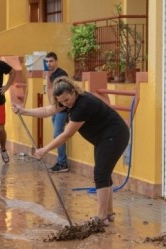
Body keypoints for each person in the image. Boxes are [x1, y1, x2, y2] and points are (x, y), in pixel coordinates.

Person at [12, 76, 130, 226]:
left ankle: (101, 217)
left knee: (100, 174)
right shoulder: (68, 102)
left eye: (67, 100)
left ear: (73, 92)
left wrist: (45, 149)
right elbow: (48, 110)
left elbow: (66, 134)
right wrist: (24, 111)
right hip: (104, 138)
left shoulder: (83, 105)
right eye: (61, 101)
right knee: (104, 173)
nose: (65, 104)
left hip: (114, 135)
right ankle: (108, 213)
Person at [45, 52, 70, 173]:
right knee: (57, 135)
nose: (49, 64)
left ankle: (63, 163)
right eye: (47, 61)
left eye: (51, 61)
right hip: (55, 108)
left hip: (62, 109)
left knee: (58, 135)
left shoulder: (61, 74)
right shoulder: (51, 74)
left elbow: (66, 91)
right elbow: (49, 89)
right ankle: (61, 161)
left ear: (56, 61)